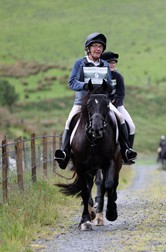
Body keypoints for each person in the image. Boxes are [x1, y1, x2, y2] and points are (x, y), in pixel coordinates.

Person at [54, 32, 136, 169]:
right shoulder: (79, 63)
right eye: (95, 46)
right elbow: (71, 83)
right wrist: (85, 85)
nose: (98, 49)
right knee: (69, 121)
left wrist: (107, 87)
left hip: (102, 102)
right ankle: (64, 152)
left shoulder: (104, 64)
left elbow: (109, 84)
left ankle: (126, 150)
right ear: (88, 48)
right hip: (82, 103)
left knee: (121, 118)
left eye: (100, 46)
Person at [100, 51, 137, 154]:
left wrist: (114, 104)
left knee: (132, 126)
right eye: (110, 62)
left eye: (114, 62)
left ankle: (127, 151)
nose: (112, 65)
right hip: (102, 105)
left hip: (117, 106)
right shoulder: (100, 76)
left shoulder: (118, 77)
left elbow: (121, 94)